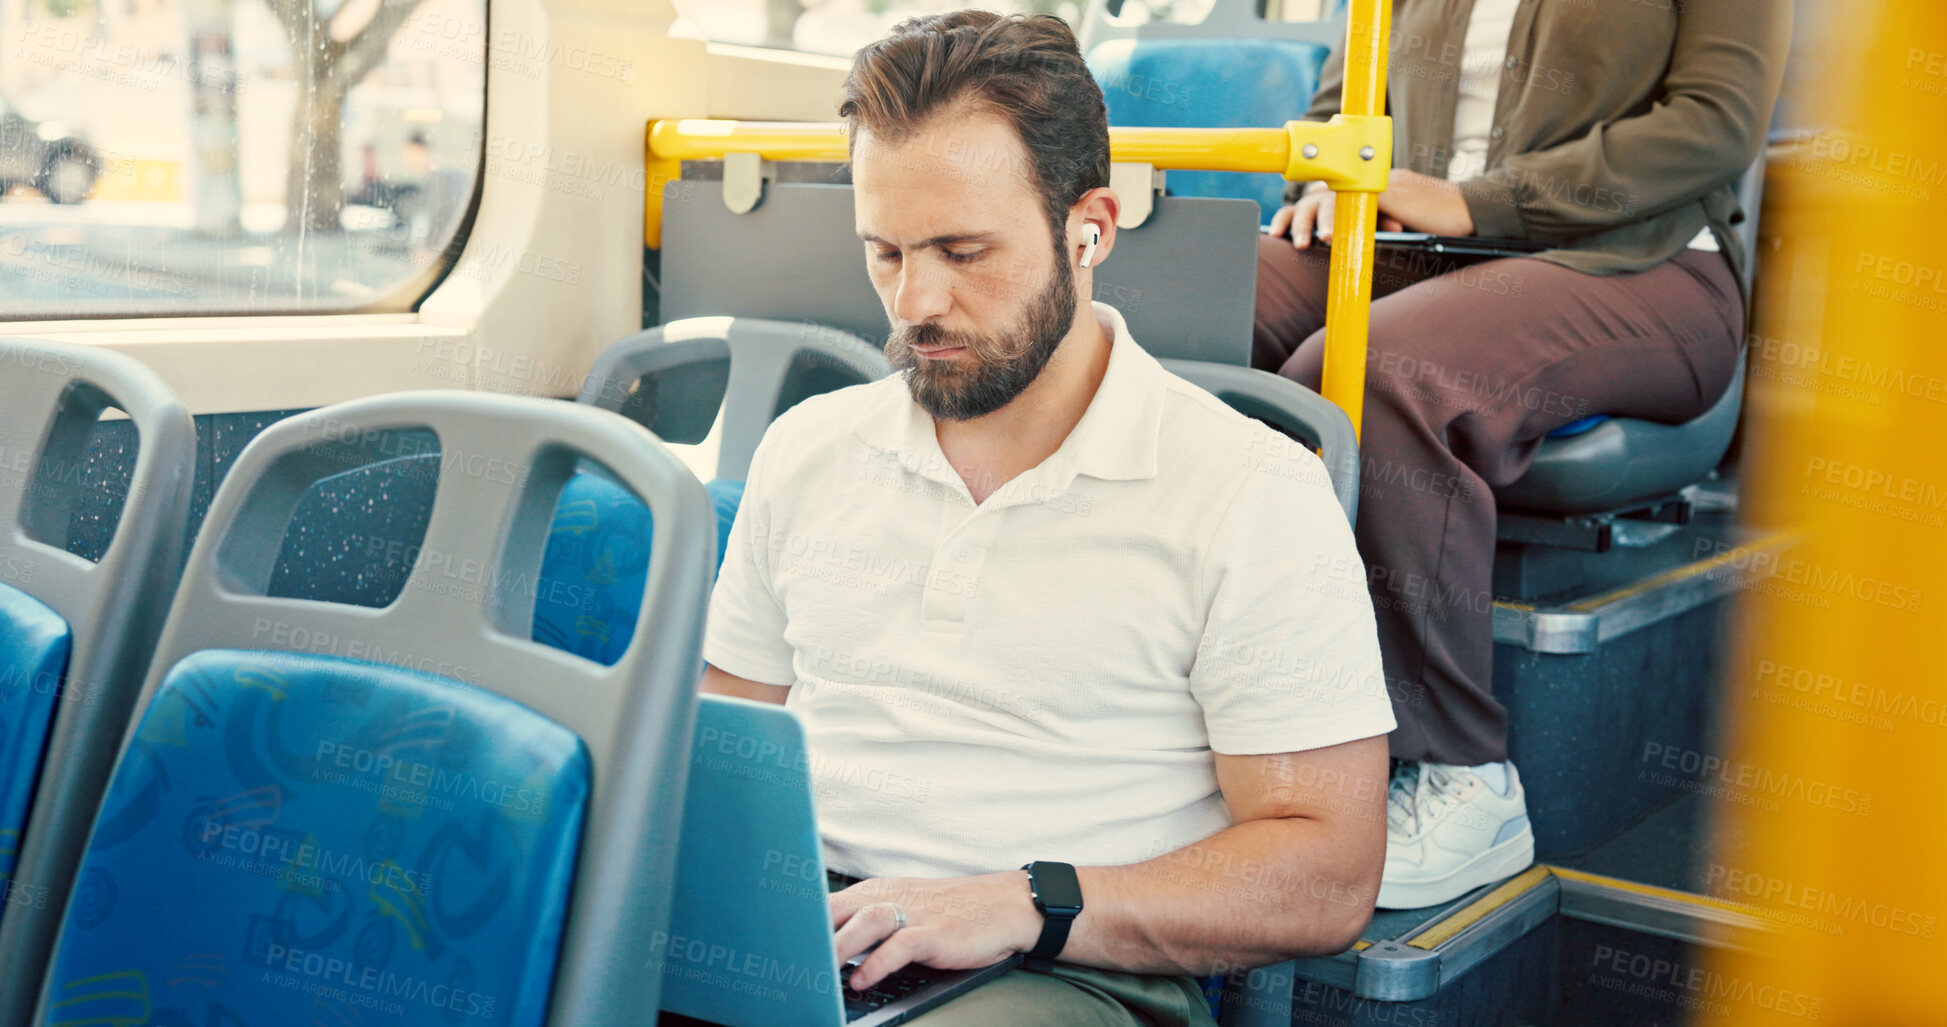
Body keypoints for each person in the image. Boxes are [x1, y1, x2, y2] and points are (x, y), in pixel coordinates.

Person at [701, 11, 1397, 1024]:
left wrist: (1025, 902)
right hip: (802, 924)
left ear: (1091, 228)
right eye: (885, 252)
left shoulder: (1250, 492)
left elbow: (1327, 871)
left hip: (1061, 961)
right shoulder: (809, 447)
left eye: (964, 250)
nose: (917, 303)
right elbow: (724, 739)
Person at [1253, 0, 1791, 908]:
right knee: (1157, 315)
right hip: (1411, 247)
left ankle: (1461, 770)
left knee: (1376, 369)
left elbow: (1712, 125)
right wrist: (1316, 182)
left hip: (1639, 261)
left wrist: (1476, 202)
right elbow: (1337, 113)